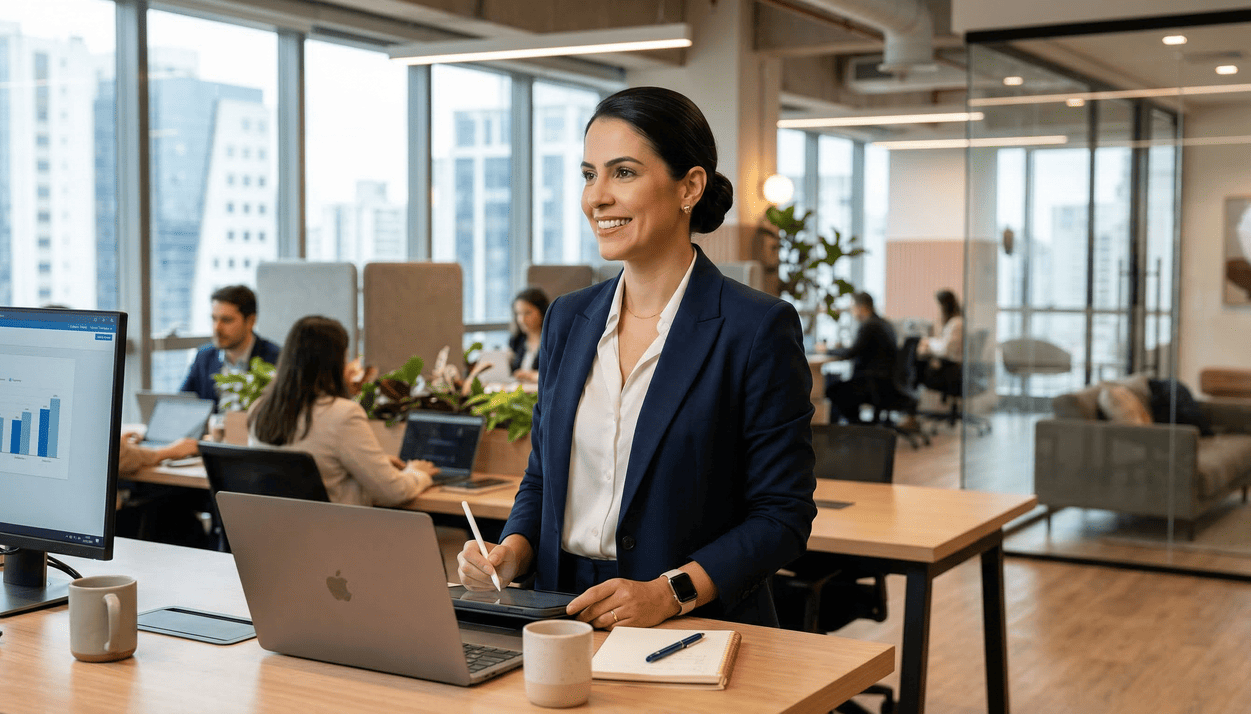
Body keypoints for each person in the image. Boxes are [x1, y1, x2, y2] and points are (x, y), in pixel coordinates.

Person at [457, 87, 817, 629]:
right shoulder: (567, 319)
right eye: (588, 174)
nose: (596, 197)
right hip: (559, 613)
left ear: (689, 187)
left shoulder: (755, 327)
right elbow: (542, 478)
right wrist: (514, 549)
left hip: (692, 622)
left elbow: (782, 516)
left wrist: (669, 593)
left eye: (622, 173)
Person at [247, 315, 440, 507]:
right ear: (335, 362)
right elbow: (394, 492)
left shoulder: (259, 410)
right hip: (337, 534)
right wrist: (417, 472)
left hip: (277, 533)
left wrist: (374, 464)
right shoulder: (342, 414)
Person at [181, 285, 281, 408]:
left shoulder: (276, 358)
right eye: (214, 319)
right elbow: (181, 403)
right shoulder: (204, 357)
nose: (217, 328)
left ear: (250, 321)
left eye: (226, 320)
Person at [824, 292, 900, 424]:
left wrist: (827, 350)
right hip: (886, 382)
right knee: (841, 386)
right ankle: (858, 426)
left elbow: (851, 353)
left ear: (861, 307)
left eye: (852, 307)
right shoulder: (885, 324)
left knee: (832, 390)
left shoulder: (869, 326)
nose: (852, 312)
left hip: (872, 383)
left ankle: (856, 426)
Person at [917, 288, 964, 394]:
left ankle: (909, 399)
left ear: (944, 307)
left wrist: (928, 343)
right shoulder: (954, 323)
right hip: (949, 368)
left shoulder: (957, 323)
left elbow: (946, 350)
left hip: (951, 372)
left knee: (917, 365)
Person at [508, 287, 549, 383]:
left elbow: (555, 377)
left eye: (528, 313)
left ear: (542, 312)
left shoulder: (553, 342)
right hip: (519, 393)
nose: (522, 319)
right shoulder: (517, 341)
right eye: (518, 313)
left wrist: (530, 375)